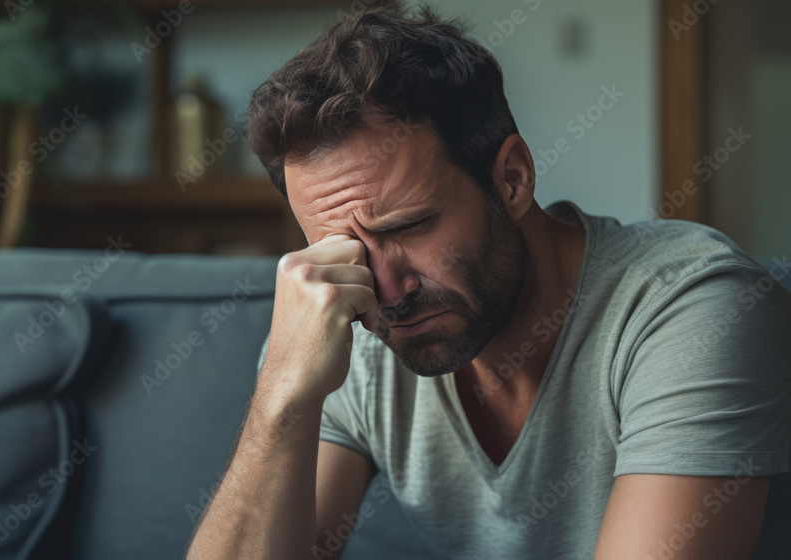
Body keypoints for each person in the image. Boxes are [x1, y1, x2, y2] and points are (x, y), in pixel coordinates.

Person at [185, 5, 791, 559]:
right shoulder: (348, 334)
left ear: (513, 178)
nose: (388, 291)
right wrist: (282, 396)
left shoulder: (692, 309)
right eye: (342, 250)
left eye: (412, 226)